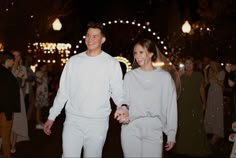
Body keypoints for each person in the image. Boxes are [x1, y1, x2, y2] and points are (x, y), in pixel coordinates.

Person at [43, 22, 129, 158]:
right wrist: (52, 116)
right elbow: (63, 92)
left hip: (98, 122)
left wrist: (123, 106)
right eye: (88, 35)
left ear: (103, 40)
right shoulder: (73, 61)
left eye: (95, 36)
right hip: (73, 120)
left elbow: (118, 91)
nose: (90, 39)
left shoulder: (111, 63)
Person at [118, 39, 177, 158]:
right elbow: (124, 99)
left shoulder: (164, 78)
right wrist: (123, 111)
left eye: (141, 52)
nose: (137, 56)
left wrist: (171, 133)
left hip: (154, 129)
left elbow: (171, 107)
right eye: (135, 53)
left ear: (151, 53)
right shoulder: (130, 76)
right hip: (131, 128)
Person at [173, 56, 210, 157]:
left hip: (195, 104)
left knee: (196, 126)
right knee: (184, 126)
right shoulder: (181, 75)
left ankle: (196, 148)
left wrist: (204, 103)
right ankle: (183, 148)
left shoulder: (198, 75)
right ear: (184, 65)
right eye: (187, 63)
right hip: (183, 104)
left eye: (190, 63)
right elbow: (174, 89)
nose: (188, 65)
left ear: (194, 65)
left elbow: (201, 89)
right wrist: (177, 76)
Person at [0, 51, 20, 158]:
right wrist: (9, 113)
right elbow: (6, 96)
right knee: (5, 138)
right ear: (8, 60)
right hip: (4, 112)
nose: (13, 63)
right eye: (12, 61)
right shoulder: (7, 75)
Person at [10, 50, 29, 153]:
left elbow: (22, 84)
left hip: (17, 95)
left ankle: (13, 144)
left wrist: (17, 69)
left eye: (18, 56)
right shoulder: (6, 66)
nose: (16, 58)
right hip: (6, 95)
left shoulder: (23, 69)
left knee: (16, 119)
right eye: (14, 56)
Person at [35, 62, 49, 129]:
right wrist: (42, 75)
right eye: (44, 67)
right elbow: (38, 81)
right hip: (40, 92)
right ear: (40, 67)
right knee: (38, 107)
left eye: (46, 67)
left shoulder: (45, 73)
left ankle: (41, 121)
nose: (45, 68)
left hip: (45, 92)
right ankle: (38, 122)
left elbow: (46, 83)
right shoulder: (38, 73)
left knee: (43, 107)